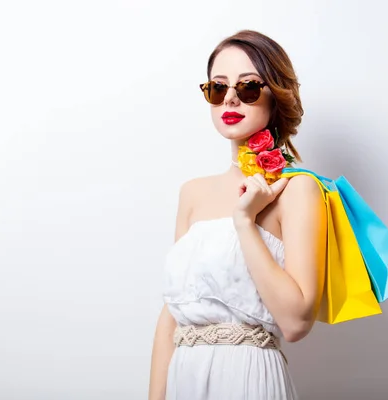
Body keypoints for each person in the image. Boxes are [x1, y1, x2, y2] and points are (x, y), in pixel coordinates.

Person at [148, 30, 327, 400]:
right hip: (185, 378)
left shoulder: (299, 190)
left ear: (275, 96)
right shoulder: (192, 193)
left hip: (249, 380)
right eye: (218, 87)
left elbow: (295, 323)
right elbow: (173, 312)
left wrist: (245, 221)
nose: (230, 97)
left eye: (248, 87)